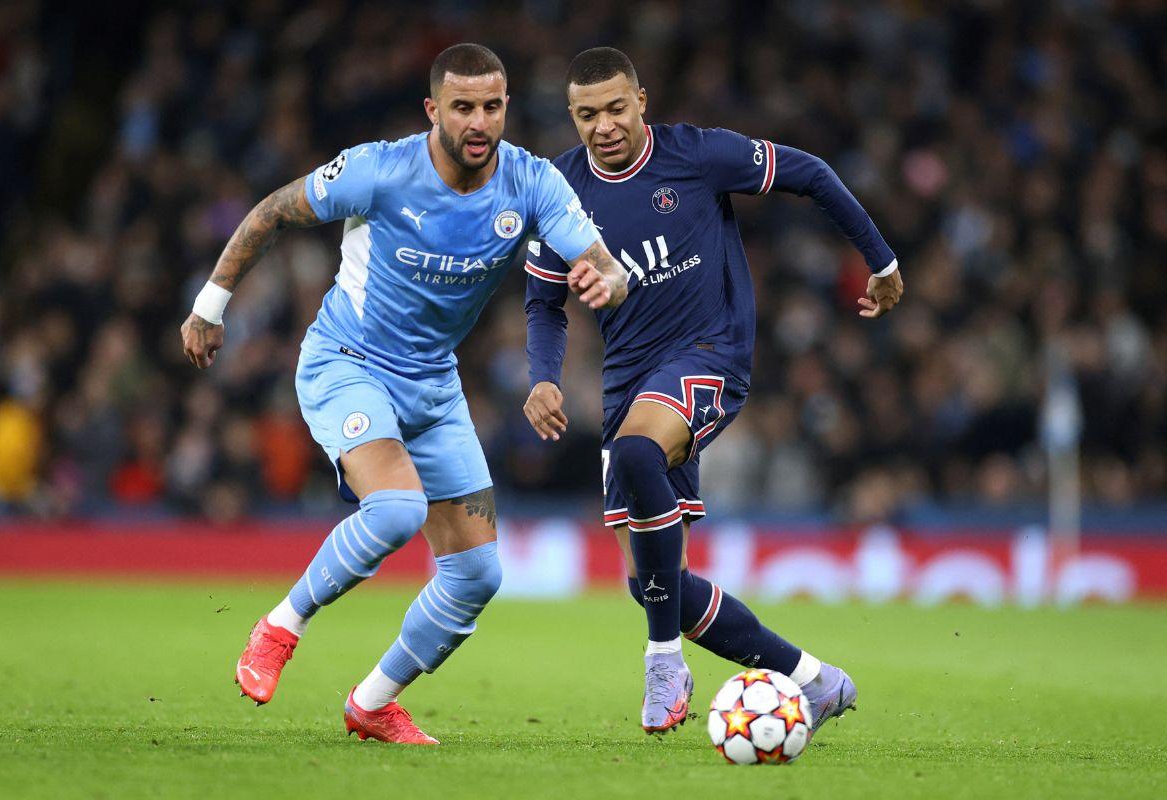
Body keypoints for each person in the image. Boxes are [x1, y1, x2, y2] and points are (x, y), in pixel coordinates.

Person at [180, 43, 627, 745]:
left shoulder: (532, 183)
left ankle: (372, 702)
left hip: (432, 385)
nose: (478, 122)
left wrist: (608, 282)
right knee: (395, 509)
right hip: (346, 363)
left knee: (477, 574)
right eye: (462, 107)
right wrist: (210, 304)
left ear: (506, 107)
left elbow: (603, 262)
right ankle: (278, 628)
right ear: (433, 111)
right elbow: (273, 210)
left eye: (491, 106)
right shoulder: (380, 170)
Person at [523, 47, 902, 734]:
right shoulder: (557, 189)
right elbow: (544, 305)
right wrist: (543, 377)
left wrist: (882, 259)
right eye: (586, 115)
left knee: (638, 458)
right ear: (571, 117)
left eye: (615, 108)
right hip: (627, 383)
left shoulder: (697, 155)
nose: (603, 125)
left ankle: (662, 661)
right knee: (655, 584)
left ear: (641, 100)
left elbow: (811, 175)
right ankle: (816, 681)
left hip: (711, 354)